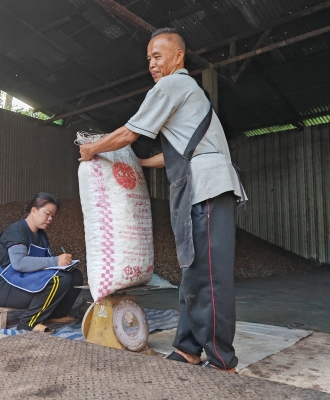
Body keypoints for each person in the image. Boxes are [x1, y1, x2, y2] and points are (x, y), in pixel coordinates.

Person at [78, 28, 246, 372]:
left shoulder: (173, 85)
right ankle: (187, 349)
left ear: (178, 57)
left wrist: (93, 149)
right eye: (149, 59)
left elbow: (129, 132)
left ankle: (222, 360)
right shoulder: (186, 93)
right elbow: (172, 155)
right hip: (198, 189)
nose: (152, 65)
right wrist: (137, 163)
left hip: (208, 188)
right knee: (193, 273)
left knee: (210, 275)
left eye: (157, 56)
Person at [0, 192, 84, 332]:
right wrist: (56, 260)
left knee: (75, 275)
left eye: (53, 216)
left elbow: (44, 264)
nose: (50, 218)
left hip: (27, 282)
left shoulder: (41, 235)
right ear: (34, 210)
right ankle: (28, 323)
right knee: (59, 279)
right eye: (47, 213)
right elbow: (19, 263)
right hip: (8, 288)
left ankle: (55, 315)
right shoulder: (17, 230)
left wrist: (62, 263)